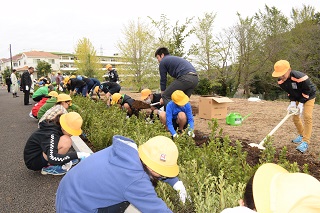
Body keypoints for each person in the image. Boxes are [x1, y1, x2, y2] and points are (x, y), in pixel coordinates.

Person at [56, 135, 188, 212]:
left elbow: (154, 168)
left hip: (68, 191)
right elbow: (157, 210)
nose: (163, 176)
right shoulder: (135, 179)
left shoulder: (127, 153)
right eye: (162, 173)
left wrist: (175, 182)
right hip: (75, 207)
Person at [23, 112, 91, 175]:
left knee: (66, 140)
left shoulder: (56, 125)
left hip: (40, 153)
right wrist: (78, 155)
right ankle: (52, 167)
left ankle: (60, 161)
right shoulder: (51, 134)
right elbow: (52, 158)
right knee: (66, 140)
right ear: (64, 128)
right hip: (34, 161)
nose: (72, 134)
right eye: (71, 132)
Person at [272, 60, 317, 153]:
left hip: (309, 96)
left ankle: (305, 142)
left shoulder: (301, 77)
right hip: (297, 97)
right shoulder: (281, 82)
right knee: (295, 117)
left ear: (289, 70)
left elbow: (307, 91)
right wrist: (292, 102)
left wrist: (301, 103)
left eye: (283, 74)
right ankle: (301, 134)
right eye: (279, 74)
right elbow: (290, 91)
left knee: (307, 116)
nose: (281, 76)